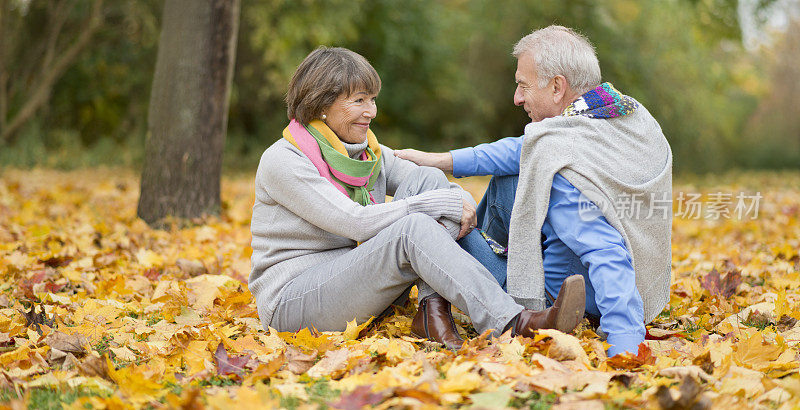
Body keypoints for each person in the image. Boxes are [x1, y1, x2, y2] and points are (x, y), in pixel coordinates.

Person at [248, 46, 587, 351]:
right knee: (413, 225)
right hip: (295, 300)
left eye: (372, 99)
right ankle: (515, 322)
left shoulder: (366, 153)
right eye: (359, 101)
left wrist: (455, 196)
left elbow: (424, 182)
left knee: (426, 178)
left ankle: (431, 307)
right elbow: (353, 221)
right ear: (322, 104)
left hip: (352, 278)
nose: (371, 112)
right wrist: (440, 204)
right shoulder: (285, 160)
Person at [395, 26, 672, 356]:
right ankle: (488, 252)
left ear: (557, 87)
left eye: (523, 85)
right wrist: (439, 160)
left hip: (553, 300)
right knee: (506, 180)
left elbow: (607, 254)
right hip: (598, 278)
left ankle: (478, 279)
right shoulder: (619, 116)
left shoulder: (564, 168)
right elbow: (522, 149)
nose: (517, 97)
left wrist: (624, 349)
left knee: (439, 217)